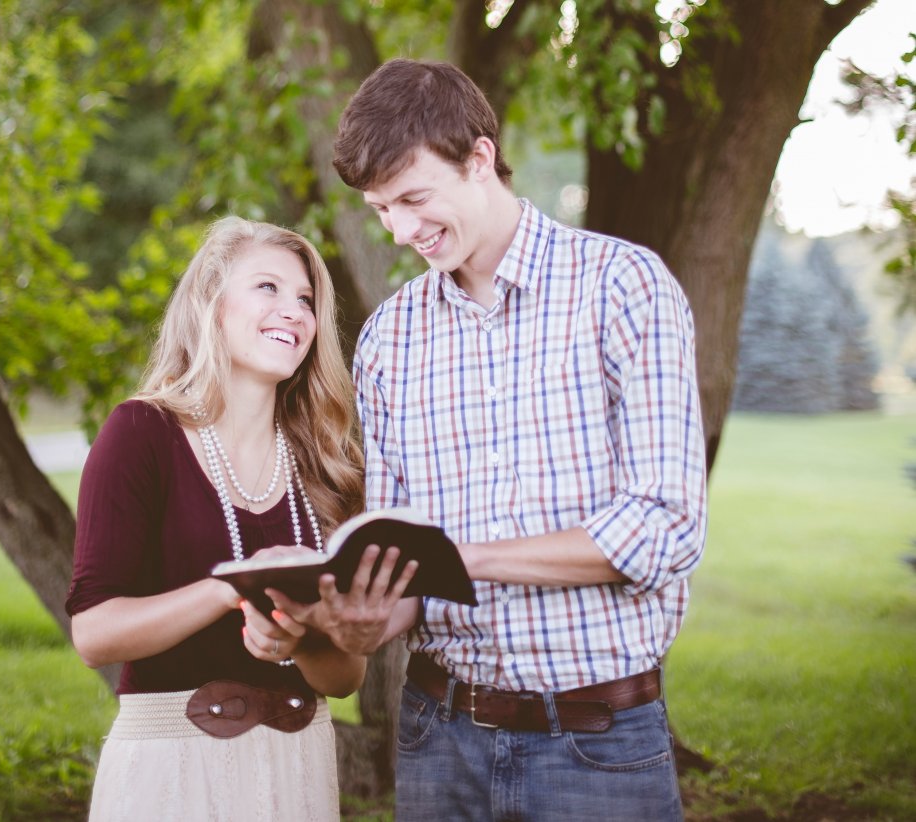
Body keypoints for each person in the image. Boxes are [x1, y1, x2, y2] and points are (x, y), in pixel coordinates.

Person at [268, 59, 708, 820]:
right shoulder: (391, 339)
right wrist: (365, 616)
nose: (401, 230)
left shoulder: (621, 285)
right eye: (380, 210)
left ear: (477, 159)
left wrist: (464, 562)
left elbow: (664, 527)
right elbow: (404, 569)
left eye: (412, 198)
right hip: (439, 740)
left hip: (595, 744)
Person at [65, 216, 366, 821]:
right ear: (211, 305)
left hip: (297, 770)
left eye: (306, 299)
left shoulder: (327, 461)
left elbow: (346, 675)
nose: (294, 311)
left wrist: (296, 639)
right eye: (268, 288)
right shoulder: (141, 433)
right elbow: (94, 635)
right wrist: (233, 588)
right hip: (173, 772)